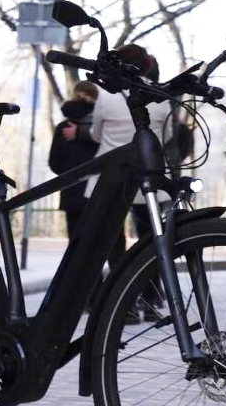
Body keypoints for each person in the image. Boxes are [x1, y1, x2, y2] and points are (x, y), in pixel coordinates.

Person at [84, 44, 173, 320]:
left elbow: (96, 134)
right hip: (149, 177)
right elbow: (166, 137)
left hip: (110, 177)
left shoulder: (106, 96)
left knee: (112, 243)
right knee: (153, 240)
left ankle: (122, 305)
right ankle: (149, 300)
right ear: (147, 67)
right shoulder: (160, 97)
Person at [48, 81, 100, 239]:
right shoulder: (102, 122)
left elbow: (54, 162)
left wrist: (69, 173)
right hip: (100, 191)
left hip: (72, 191)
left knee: (76, 242)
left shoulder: (63, 127)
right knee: (104, 239)